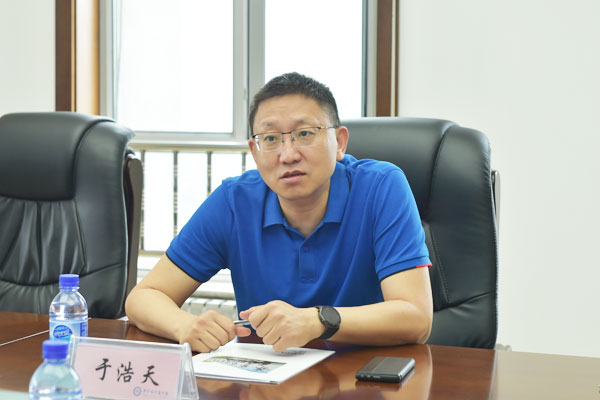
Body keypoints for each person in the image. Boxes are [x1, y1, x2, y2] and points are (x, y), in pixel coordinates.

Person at [125, 72, 433, 353]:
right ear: (255, 152)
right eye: (271, 139)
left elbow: (416, 318)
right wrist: (185, 326)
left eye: (305, 134)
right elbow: (143, 296)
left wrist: (318, 320)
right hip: (266, 379)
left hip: (362, 376)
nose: (288, 155)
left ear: (340, 142)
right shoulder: (234, 202)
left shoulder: (381, 187)